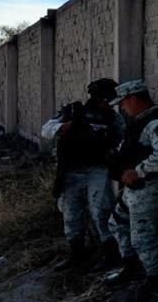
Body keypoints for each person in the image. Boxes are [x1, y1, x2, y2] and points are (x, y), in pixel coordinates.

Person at [104, 80, 158, 302]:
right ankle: (131, 268)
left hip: (147, 186)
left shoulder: (156, 122)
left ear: (134, 99)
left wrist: (138, 171)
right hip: (135, 188)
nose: (123, 109)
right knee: (116, 223)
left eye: (124, 104)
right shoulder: (141, 121)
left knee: (142, 237)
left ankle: (154, 280)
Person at [41, 78, 122, 271]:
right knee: (70, 213)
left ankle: (109, 255)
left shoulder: (112, 117)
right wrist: (64, 127)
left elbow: (122, 138)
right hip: (71, 171)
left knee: (101, 211)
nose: (107, 103)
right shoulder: (72, 111)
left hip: (98, 170)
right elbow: (46, 130)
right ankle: (77, 255)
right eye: (105, 99)